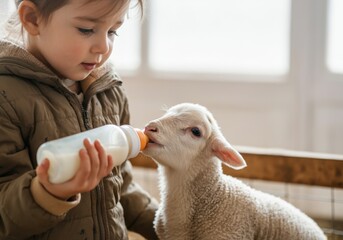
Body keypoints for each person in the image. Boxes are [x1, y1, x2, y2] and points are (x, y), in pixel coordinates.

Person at [0, 0, 158, 239]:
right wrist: (47, 193)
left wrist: (169, 226)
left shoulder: (108, 92)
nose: (103, 46)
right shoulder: (6, 97)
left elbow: (120, 187)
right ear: (32, 19)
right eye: (86, 29)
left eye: (113, 31)